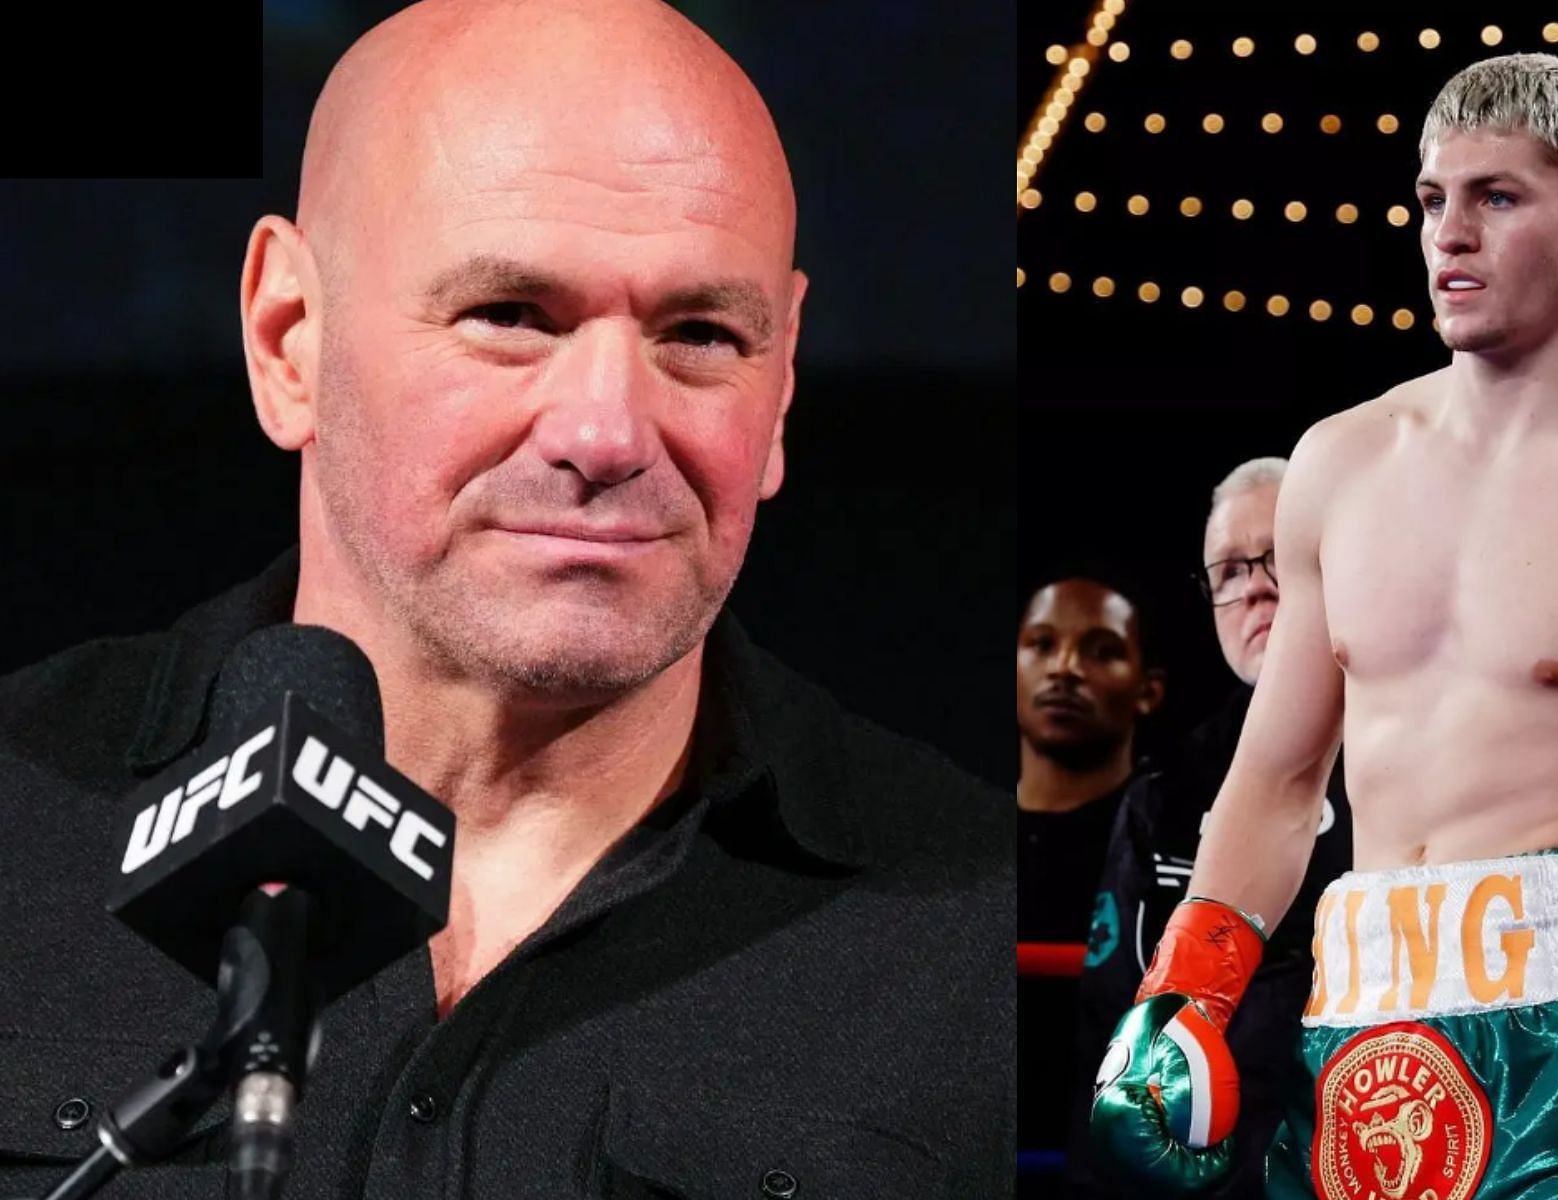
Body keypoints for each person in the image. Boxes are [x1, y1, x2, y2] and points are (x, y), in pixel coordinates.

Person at [0, 2, 1010, 1195]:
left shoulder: (976, 940)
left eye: (700, 333)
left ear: (782, 383)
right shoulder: (20, 817)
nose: (607, 434)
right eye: (510, 317)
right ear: (289, 339)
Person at [1090, 53, 1558, 1200]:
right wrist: (1180, 997)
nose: (1449, 235)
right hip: (1357, 1019)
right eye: (1433, 200)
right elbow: (1276, 783)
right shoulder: (1339, 462)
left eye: (1498, 197)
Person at [1068, 458, 1352, 1197]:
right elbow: (1116, 1016)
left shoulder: (1425, 765)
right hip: (1215, 1162)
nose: (1254, 584)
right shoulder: (1168, 790)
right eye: (1228, 571)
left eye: (1278, 557)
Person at [1017, 577, 1164, 942]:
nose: (1064, 668)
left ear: (1148, 690)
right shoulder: (960, 830)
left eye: (1102, 651)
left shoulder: (1172, 835)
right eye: (1043, 644)